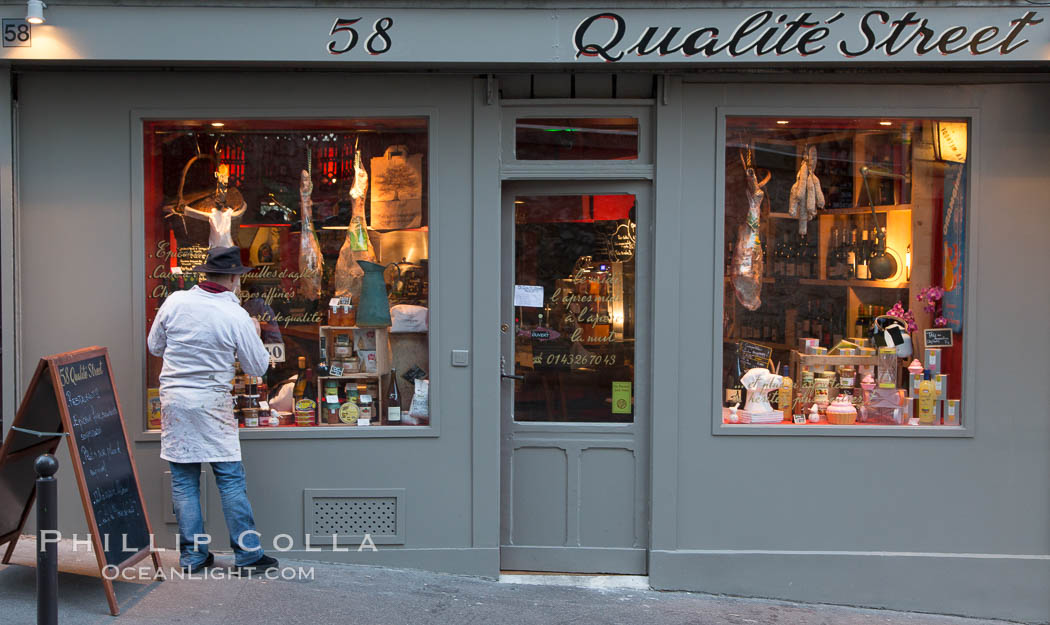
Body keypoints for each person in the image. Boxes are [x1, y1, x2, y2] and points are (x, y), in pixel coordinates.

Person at [147, 246, 278, 575]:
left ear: (205, 274)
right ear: (234, 278)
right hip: (212, 402)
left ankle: (193, 556)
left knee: (183, 481)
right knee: (230, 481)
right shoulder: (235, 316)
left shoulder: (175, 301)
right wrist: (256, 333)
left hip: (175, 400)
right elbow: (258, 367)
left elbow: (154, 346)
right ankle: (247, 556)